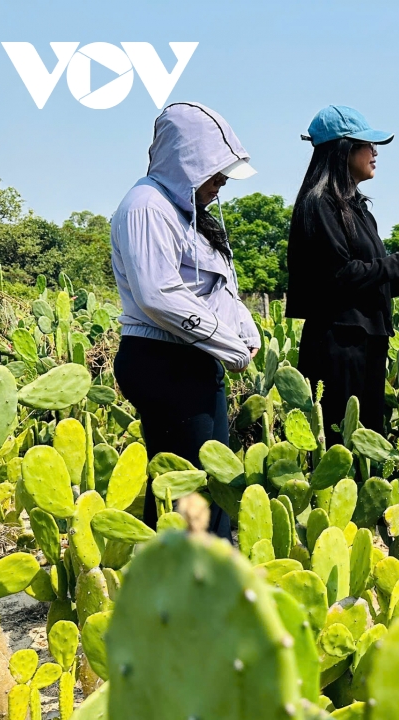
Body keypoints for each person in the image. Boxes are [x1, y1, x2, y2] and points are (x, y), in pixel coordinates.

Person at [112, 102, 261, 539]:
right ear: (186, 162)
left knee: (213, 476)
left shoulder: (186, 211)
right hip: (163, 358)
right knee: (189, 485)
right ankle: (188, 586)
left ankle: (213, 572)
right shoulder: (147, 206)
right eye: (214, 172)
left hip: (193, 355)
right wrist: (229, 345)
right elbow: (159, 294)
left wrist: (244, 331)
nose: (220, 183)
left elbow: (214, 287)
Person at [286, 106, 399, 444]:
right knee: (340, 441)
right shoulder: (320, 204)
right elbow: (339, 276)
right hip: (337, 345)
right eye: (367, 145)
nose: (375, 153)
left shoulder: (357, 209)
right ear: (343, 149)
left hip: (367, 343)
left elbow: (373, 280)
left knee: (366, 438)